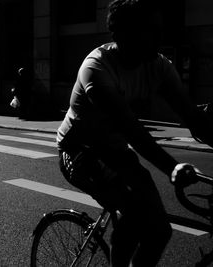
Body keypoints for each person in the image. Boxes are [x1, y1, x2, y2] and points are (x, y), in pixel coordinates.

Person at [56, 0, 213, 266]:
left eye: (159, 30)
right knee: (135, 212)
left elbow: (192, 116)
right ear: (121, 35)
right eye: (149, 30)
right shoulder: (97, 68)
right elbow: (131, 130)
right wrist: (171, 167)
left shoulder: (159, 65)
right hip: (80, 150)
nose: (159, 38)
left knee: (161, 231)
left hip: (115, 150)